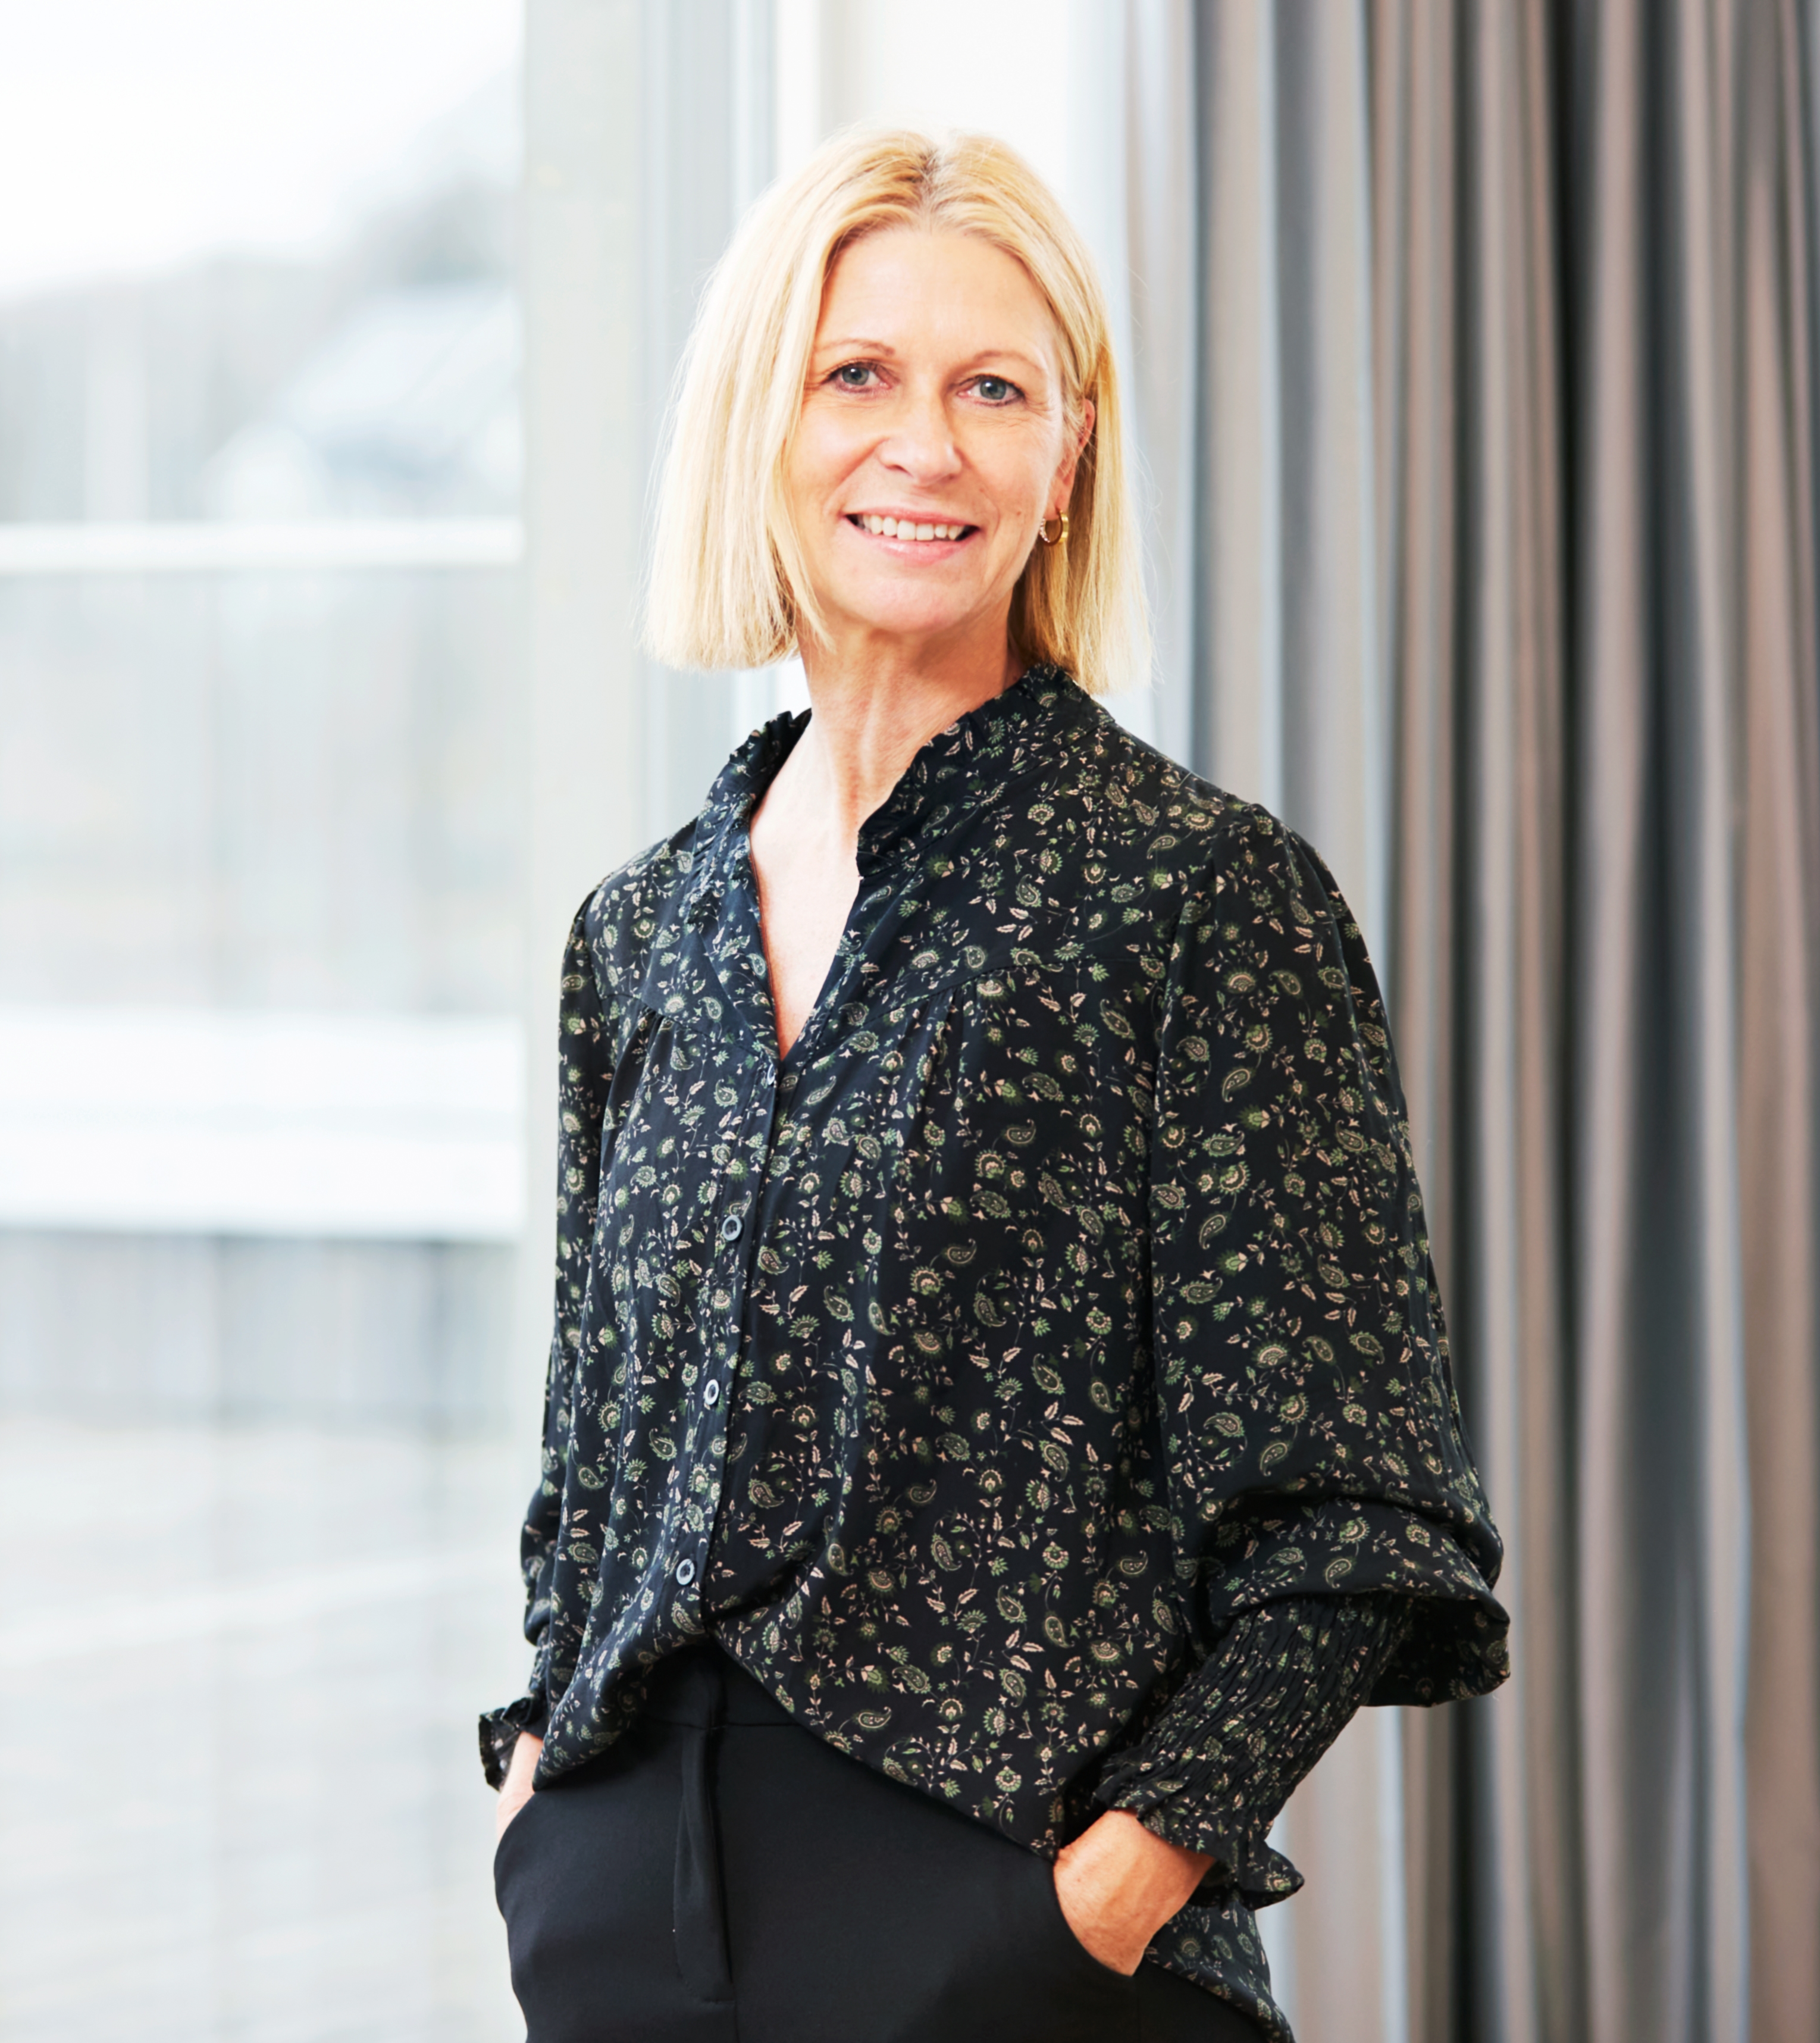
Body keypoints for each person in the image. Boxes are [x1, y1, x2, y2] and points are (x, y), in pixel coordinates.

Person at [480, 126, 1508, 2043]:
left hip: (1009, 1930)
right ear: (758, 419)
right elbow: (592, 1466)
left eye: (992, 390)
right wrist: (544, 1786)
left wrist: (1099, 1898)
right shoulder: (638, 933)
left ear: (1068, 453)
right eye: (857, 373)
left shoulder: (1195, 896)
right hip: (621, 1916)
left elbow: (1359, 1522)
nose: (924, 446)